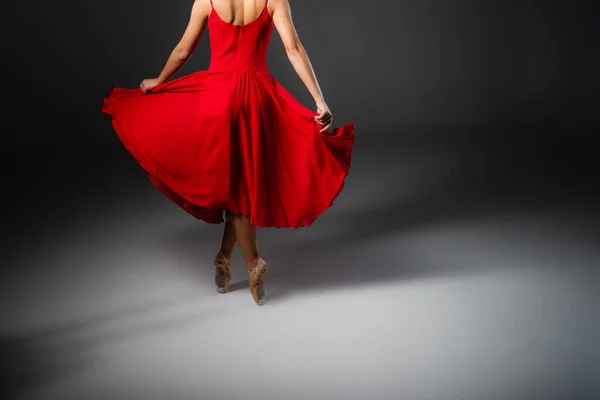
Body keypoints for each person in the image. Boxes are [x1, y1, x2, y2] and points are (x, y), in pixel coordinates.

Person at [101, 0, 355, 306]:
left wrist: (159, 80)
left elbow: (183, 51)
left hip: (217, 99)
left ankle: (234, 259)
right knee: (242, 185)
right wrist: (320, 101)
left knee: (237, 186)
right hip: (257, 98)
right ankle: (246, 261)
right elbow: (294, 49)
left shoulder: (206, 1)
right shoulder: (274, 1)